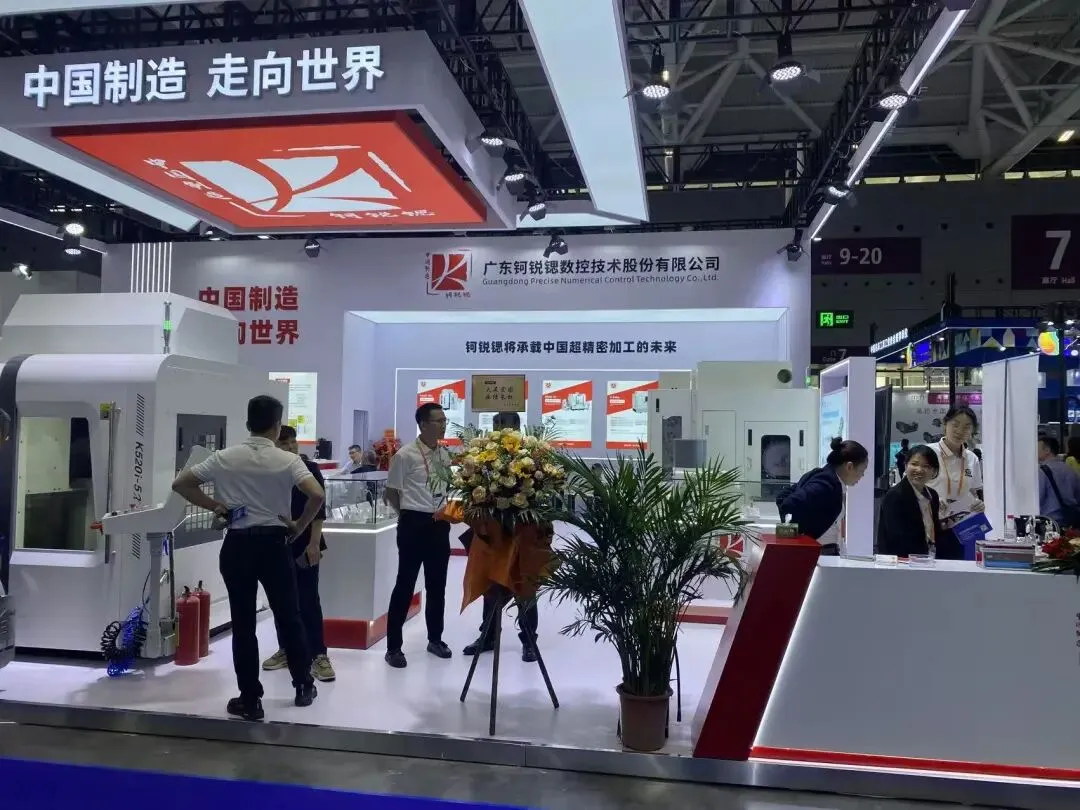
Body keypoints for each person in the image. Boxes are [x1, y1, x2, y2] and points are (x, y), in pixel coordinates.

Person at [170, 395, 323, 721]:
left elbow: (181, 483)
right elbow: (317, 494)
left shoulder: (224, 457)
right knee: (289, 616)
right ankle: (303, 685)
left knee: (243, 624)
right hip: (275, 546)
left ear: (248, 423)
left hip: (237, 545)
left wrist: (216, 506)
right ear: (277, 425)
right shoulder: (287, 460)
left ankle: (250, 699)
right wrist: (299, 525)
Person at [461, 412, 540, 663]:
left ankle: (529, 640)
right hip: (493, 532)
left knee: (524, 586)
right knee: (491, 583)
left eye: (503, 425)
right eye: (495, 425)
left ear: (516, 426)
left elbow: (541, 494)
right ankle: (488, 636)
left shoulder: (531, 456)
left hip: (522, 533)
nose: (498, 429)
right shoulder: (484, 457)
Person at [261, 425, 335, 683]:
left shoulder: (309, 469)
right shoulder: (269, 471)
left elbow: (319, 511)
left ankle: (318, 655)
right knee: (280, 600)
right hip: (276, 543)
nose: (291, 447)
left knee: (308, 599)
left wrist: (314, 543)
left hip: (305, 542)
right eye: (284, 443)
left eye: (293, 441)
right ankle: (286, 649)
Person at [383, 403, 453, 668]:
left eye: (444, 420)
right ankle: (393, 647)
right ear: (423, 424)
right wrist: (407, 515)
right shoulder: (405, 455)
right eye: (438, 421)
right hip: (413, 523)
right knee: (405, 584)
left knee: (438, 585)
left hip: (439, 524)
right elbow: (391, 492)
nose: (443, 425)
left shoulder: (444, 454)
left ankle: (435, 639)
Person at [777, 438, 869, 555]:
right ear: (849, 467)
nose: (862, 476)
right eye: (862, 471)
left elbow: (782, 496)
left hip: (820, 551)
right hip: (820, 553)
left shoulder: (820, 474)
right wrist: (799, 533)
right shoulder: (826, 485)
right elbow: (789, 504)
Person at [927, 406, 983, 560]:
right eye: (955, 424)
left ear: (972, 431)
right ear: (945, 424)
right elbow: (912, 487)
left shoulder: (972, 458)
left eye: (967, 427)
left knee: (958, 568)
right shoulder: (928, 452)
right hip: (930, 524)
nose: (960, 431)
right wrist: (933, 500)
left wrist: (978, 503)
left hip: (961, 527)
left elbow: (973, 492)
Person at [878, 444, 944, 558]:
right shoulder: (895, 496)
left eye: (926, 466)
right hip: (902, 561)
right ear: (905, 465)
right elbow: (896, 538)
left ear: (934, 471)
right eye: (914, 464)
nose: (919, 470)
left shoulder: (933, 495)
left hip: (929, 558)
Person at [1038, 434, 1080, 528]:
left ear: (1047, 450)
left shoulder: (1041, 472)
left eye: (1038, 448)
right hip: (1071, 522)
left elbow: (1038, 498)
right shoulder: (1070, 470)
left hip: (1049, 524)